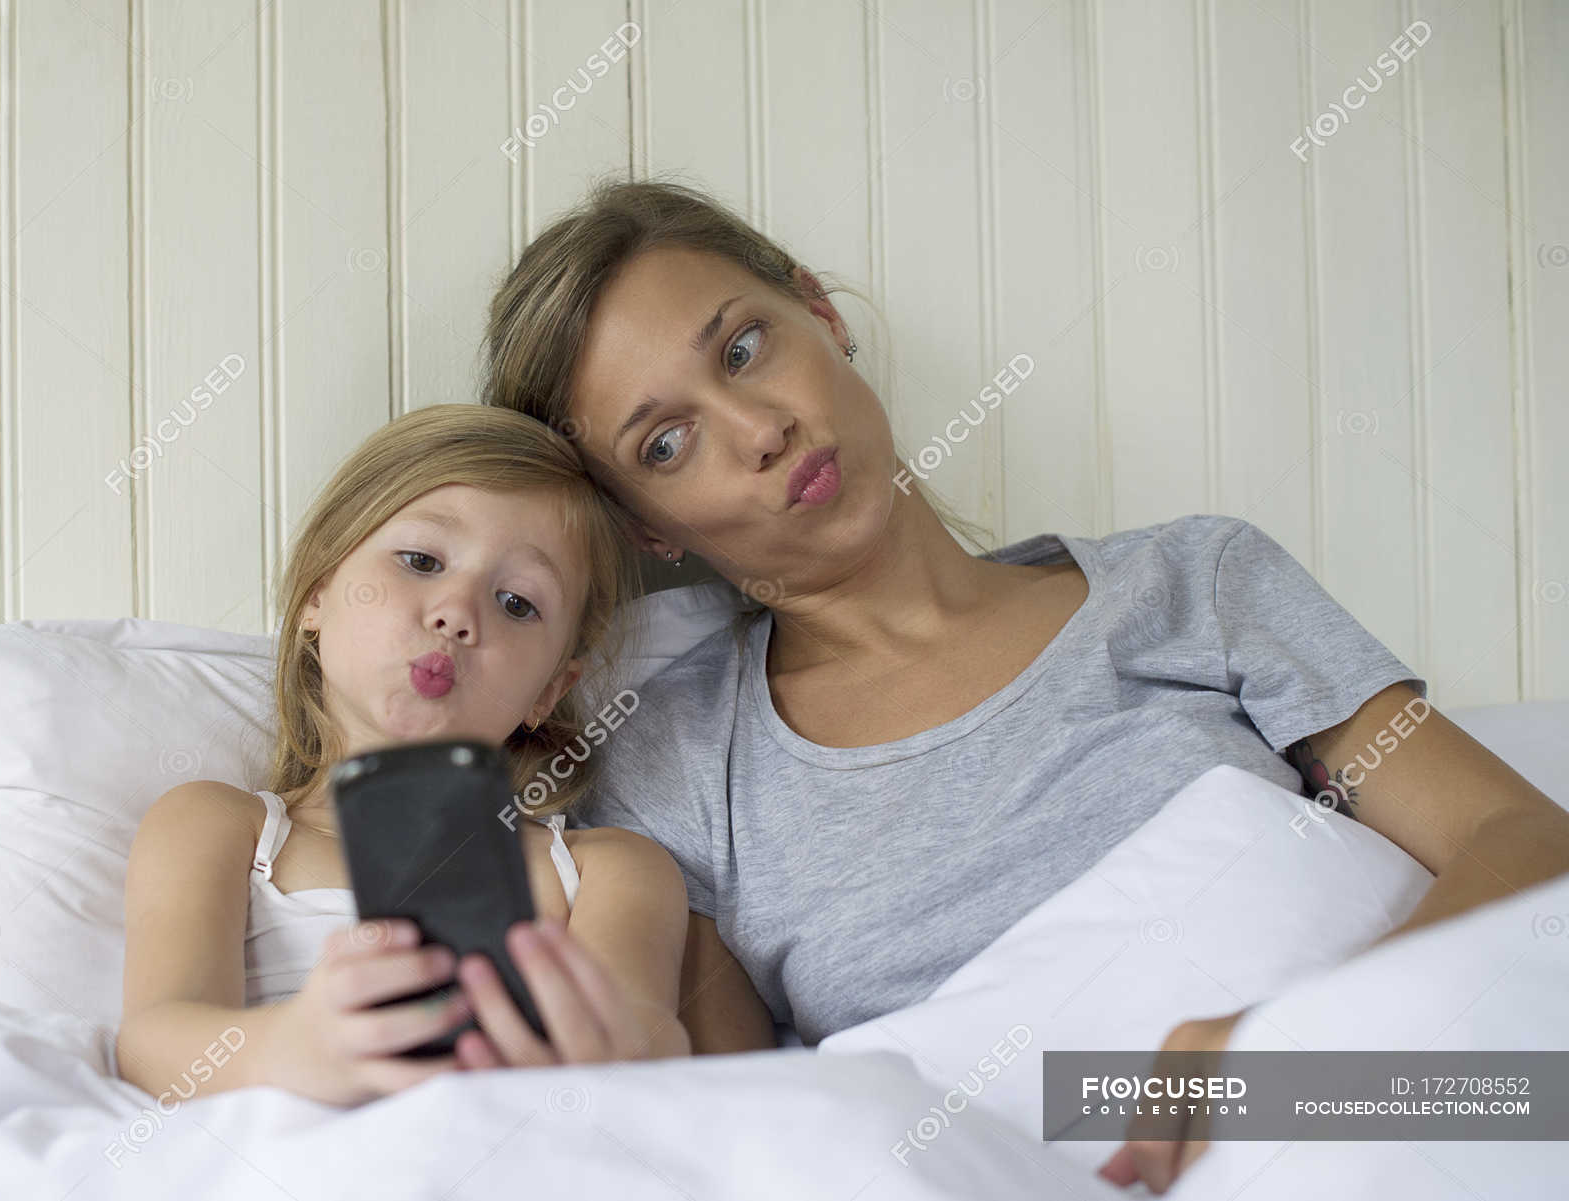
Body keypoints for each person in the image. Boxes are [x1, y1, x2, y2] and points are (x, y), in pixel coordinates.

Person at [482, 178, 1569, 1192]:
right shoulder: (676, 765)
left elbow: (1523, 837)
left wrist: (1291, 1052)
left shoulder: (1192, 584)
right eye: (667, 443)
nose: (761, 432)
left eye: (746, 346)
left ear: (819, 309)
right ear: (643, 527)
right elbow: (736, 1127)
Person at [116, 404, 691, 1110]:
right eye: (421, 561)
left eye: (516, 602)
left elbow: (654, 1046)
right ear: (319, 590)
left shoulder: (613, 871)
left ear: (550, 689)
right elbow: (154, 1042)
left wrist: (598, 1050)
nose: (457, 612)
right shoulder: (215, 825)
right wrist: (297, 1048)